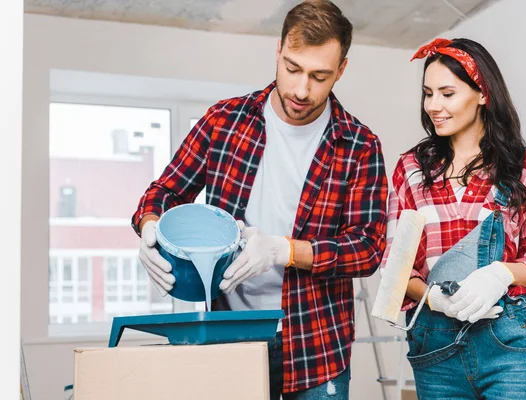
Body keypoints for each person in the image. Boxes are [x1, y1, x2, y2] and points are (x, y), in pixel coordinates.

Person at [132, 1, 388, 398]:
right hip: (230, 338)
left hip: (316, 347)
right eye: (292, 68)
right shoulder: (224, 121)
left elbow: (368, 248)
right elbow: (163, 193)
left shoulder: (359, 145)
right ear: (278, 52)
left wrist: (282, 250)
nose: (302, 90)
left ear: (342, 70)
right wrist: (150, 229)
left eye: (319, 76)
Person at [383, 37, 526, 399]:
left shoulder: (524, 167)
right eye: (428, 93)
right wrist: (433, 298)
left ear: (482, 94)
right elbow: (396, 268)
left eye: (447, 93)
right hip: (436, 348)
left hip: (507, 342)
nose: (434, 105)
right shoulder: (411, 170)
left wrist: (500, 274)